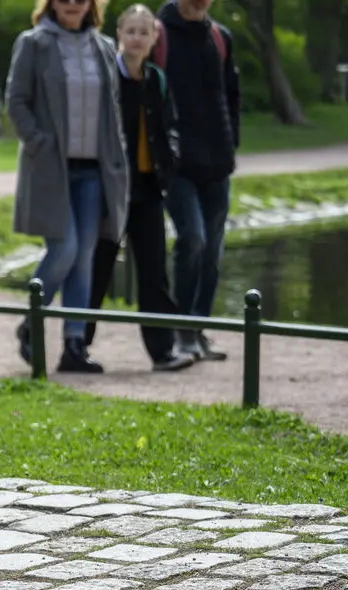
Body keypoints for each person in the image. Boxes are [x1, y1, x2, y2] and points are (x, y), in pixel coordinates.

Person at [8, 0, 129, 373]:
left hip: (95, 170)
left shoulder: (104, 47)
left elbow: (114, 108)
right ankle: (32, 321)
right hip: (51, 169)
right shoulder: (33, 43)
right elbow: (16, 100)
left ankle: (74, 346)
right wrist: (39, 142)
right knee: (66, 248)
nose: (73, 3)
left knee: (84, 258)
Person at [85, 4, 196, 372]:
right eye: (130, 31)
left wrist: (171, 158)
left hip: (148, 190)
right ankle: (77, 345)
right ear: (119, 34)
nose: (136, 38)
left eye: (143, 32)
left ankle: (162, 351)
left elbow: (171, 127)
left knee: (154, 272)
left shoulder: (156, 79)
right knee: (98, 268)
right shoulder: (106, 76)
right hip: (111, 191)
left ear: (154, 38)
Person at [152, 0, 240, 361]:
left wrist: (231, 141)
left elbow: (231, 94)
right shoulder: (159, 34)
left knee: (213, 252)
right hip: (177, 165)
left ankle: (198, 327)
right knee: (192, 240)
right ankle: (181, 330)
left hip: (218, 163)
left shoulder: (220, 37)